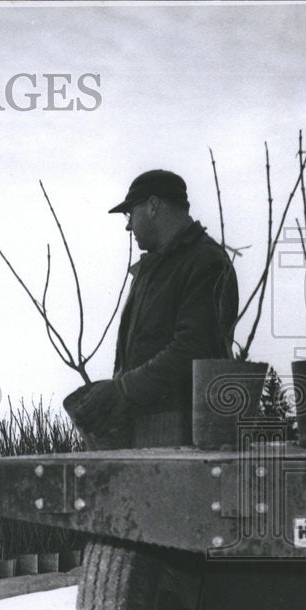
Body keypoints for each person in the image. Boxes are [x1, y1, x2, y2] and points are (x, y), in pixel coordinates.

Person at [73, 169, 239, 446]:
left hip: (184, 431)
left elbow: (194, 349)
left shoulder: (206, 262)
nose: (128, 226)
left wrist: (123, 389)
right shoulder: (154, 267)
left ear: (153, 206)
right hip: (147, 428)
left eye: (130, 214)